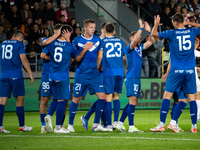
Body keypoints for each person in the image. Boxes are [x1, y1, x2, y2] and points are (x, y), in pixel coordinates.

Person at [150, 14, 200, 133]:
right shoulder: (192, 31)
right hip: (189, 71)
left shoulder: (171, 33)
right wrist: (189, 23)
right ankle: (194, 127)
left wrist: (156, 25)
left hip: (176, 70)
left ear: (176, 23)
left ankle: (162, 124)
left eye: (173, 23)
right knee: (192, 98)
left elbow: (153, 34)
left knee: (167, 96)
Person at [67, 19, 110, 132]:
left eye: (94, 27)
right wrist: (85, 49)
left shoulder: (97, 40)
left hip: (94, 74)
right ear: (85, 28)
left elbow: (98, 55)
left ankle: (95, 124)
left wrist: (99, 65)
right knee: (76, 98)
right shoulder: (77, 40)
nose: (93, 29)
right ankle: (70, 124)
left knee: (102, 97)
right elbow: (76, 59)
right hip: (82, 74)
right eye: (91, 27)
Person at [116, 19, 154, 132]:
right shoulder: (129, 48)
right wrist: (140, 28)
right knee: (133, 100)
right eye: (138, 38)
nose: (140, 40)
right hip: (131, 77)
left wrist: (149, 30)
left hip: (136, 77)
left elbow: (151, 41)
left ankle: (120, 123)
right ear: (132, 39)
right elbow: (136, 40)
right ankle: (131, 126)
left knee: (133, 101)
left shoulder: (139, 48)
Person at [41, 25, 75, 133]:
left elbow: (43, 52)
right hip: (62, 76)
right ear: (67, 33)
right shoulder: (69, 46)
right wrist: (69, 40)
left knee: (55, 99)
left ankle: (49, 116)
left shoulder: (52, 43)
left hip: (51, 76)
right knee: (62, 101)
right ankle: (58, 127)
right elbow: (74, 58)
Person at [0, 30, 34, 133]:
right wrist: (30, 73)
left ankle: (0, 127)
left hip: (4, 75)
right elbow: (23, 59)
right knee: (20, 101)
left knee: (2, 102)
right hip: (16, 76)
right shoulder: (20, 44)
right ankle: (22, 126)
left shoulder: (2, 44)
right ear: (21, 38)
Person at [96, 22, 125, 131]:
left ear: (104, 30)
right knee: (116, 97)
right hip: (120, 72)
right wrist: (116, 60)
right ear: (114, 31)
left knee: (108, 98)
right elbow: (125, 57)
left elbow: (99, 56)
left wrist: (98, 66)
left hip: (109, 72)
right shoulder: (120, 41)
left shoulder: (102, 41)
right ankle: (116, 122)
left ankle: (108, 124)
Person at [39, 23, 63, 133]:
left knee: (58, 99)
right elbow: (43, 51)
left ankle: (57, 123)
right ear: (56, 31)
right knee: (44, 100)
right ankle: (43, 125)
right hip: (47, 73)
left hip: (57, 73)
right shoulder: (46, 39)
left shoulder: (62, 43)